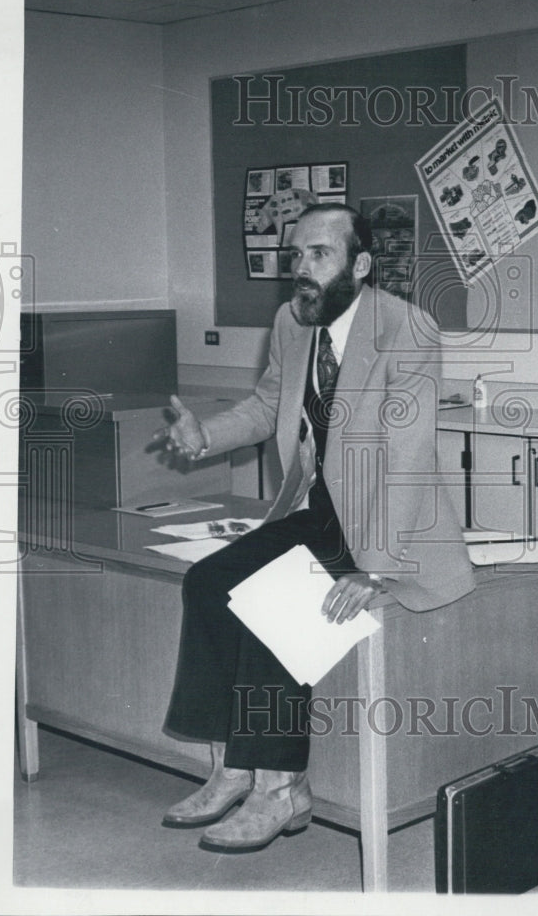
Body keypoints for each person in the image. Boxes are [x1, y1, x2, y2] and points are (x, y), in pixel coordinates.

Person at [154, 203, 474, 852]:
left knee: (279, 602)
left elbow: (409, 456)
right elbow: (270, 402)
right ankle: (233, 769)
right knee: (209, 583)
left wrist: (375, 565)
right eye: (296, 255)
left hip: (388, 524)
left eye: (318, 255)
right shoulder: (293, 320)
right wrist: (204, 435)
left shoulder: (406, 328)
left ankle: (282, 787)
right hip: (317, 508)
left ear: (359, 264)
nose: (301, 268)